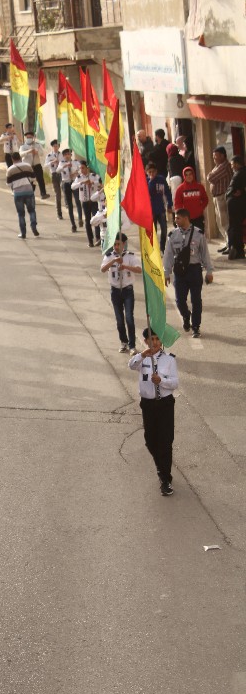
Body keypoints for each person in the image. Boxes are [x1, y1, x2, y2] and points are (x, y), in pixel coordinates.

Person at [128, 328, 179, 496]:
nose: (155, 342)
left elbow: (174, 383)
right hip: (148, 405)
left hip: (164, 404)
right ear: (146, 341)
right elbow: (131, 366)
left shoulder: (169, 359)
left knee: (165, 441)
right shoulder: (142, 359)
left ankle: (165, 479)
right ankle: (160, 466)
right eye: (151, 339)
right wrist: (142, 355)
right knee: (150, 440)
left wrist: (161, 381)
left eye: (157, 339)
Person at [163, 208, 213, 338]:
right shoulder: (172, 235)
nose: (175, 220)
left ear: (186, 218)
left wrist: (209, 271)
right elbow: (168, 255)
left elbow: (204, 253)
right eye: (175, 218)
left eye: (177, 218)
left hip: (194, 270)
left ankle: (196, 326)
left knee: (196, 300)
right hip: (179, 272)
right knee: (180, 300)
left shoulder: (198, 234)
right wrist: (166, 273)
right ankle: (186, 316)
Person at [100, 233, 141, 355]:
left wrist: (126, 266)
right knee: (119, 320)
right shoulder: (109, 256)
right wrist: (113, 260)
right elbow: (102, 269)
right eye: (115, 244)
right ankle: (124, 342)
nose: (116, 247)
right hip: (115, 291)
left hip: (127, 290)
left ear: (124, 244)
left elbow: (139, 269)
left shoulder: (130, 256)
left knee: (129, 318)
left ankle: (132, 345)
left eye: (119, 244)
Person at [206, 146, 233, 253]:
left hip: (223, 196)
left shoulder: (225, 166)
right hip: (217, 197)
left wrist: (210, 175)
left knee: (225, 222)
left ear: (222, 155)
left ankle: (231, 245)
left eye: (216, 156)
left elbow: (210, 177)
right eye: (213, 156)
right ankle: (227, 243)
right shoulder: (218, 166)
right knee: (220, 222)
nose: (214, 158)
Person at [6, 151, 38, 239]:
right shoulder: (27, 166)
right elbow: (33, 178)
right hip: (29, 191)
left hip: (18, 193)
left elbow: (8, 184)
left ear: (12, 159)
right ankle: (34, 226)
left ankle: (23, 233)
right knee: (31, 210)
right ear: (20, 157)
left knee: (21, 214)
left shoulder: (10, 169)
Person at [71, 161, 99, 247]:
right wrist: (82, 183)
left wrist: (92, 182)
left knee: (96, 219)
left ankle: (98, 238)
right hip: (85, 202)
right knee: (87, 221)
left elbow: (99, 182)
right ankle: (90, 240)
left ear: (87, 168)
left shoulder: (93, 176)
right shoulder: (79, 178)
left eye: (83, 168)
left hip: (94, 202)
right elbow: (73, 186)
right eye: (80, 168)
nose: (82, 170)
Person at [145, 162, 172, 252]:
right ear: (147, 172)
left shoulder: (161, 180)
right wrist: (151, 181)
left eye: (153, 172)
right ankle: (154, 249)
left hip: (161, 209)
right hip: (150, 211)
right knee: (153, 231)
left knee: (164, 229)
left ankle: (162, 247)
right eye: (150, 172)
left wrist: (170, 204)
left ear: (156, 172)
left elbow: (167, 192)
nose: (152, 174)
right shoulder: (146, 181)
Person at [173, 166, 209, 233]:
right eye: (186, 175)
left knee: (199, 236)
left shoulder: (200, 187)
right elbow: (177, 204)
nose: (188, 176)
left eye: (190, 174)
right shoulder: (180, 189)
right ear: (184, 176)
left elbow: (205, 199)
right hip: (186, 219)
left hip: (198, 217)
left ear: (193, 174)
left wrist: (200, 208)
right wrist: (181, 216)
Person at [226, 155, 246, 260]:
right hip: (236, 204)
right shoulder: (239, 173)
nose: (232, 166)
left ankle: (237, 250)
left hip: (236, 205)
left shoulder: (239, 174)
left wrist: (237, 192)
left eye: (233, 164)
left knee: (235, 227)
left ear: (237, 164)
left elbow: (232, 188)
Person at [19, 131, 48, 200]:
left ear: (33, 137)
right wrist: (28, 151)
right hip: (27, 166)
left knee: (40, 179)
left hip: (36, 165)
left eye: (30, 137)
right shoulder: (23, 146)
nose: (29, 138)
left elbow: (42, 153)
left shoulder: (37, 145)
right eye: (27, 137)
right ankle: (30, 195)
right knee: (30, 181)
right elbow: (21, 154)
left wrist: (36, 152)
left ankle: (43, 193)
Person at [57, 149, 80, 231]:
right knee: (70, 205)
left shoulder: (76, 162)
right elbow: (58, 170)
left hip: (74, 183)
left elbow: (81, 170)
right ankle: (73, 224)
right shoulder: (61, 163)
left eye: (69, 154)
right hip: (66, 184)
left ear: (71, 155)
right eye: (65, 154)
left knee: (78, 201)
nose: (67, 155)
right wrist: (65, 166)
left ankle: (80, 218)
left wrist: (75, 173)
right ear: (63, 156)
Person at [45, 139, 63, 219]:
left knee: (65, 190)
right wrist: (52, 162)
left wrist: (60, 162)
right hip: (54, 174)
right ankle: (59, 213)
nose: (56, 147)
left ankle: (66, 203)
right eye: (54, 146)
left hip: (62, 174)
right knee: (57, 193)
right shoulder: (49, 156)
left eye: (57, 146)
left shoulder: (62, 154)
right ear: (52, 147)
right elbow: (45, 165)